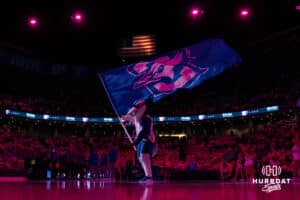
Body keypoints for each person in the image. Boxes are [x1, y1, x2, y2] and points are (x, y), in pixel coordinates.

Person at [122, 99, 157, 185]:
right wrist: (124, 118)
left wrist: (136, 141)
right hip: (141, 140)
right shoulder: (137, 118)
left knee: (144, 156)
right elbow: (130, 118)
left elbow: (145, 131)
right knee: (141, 158)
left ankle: (149, 177)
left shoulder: (146, 118)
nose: (135, 111)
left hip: (147, 139)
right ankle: (147, 176)